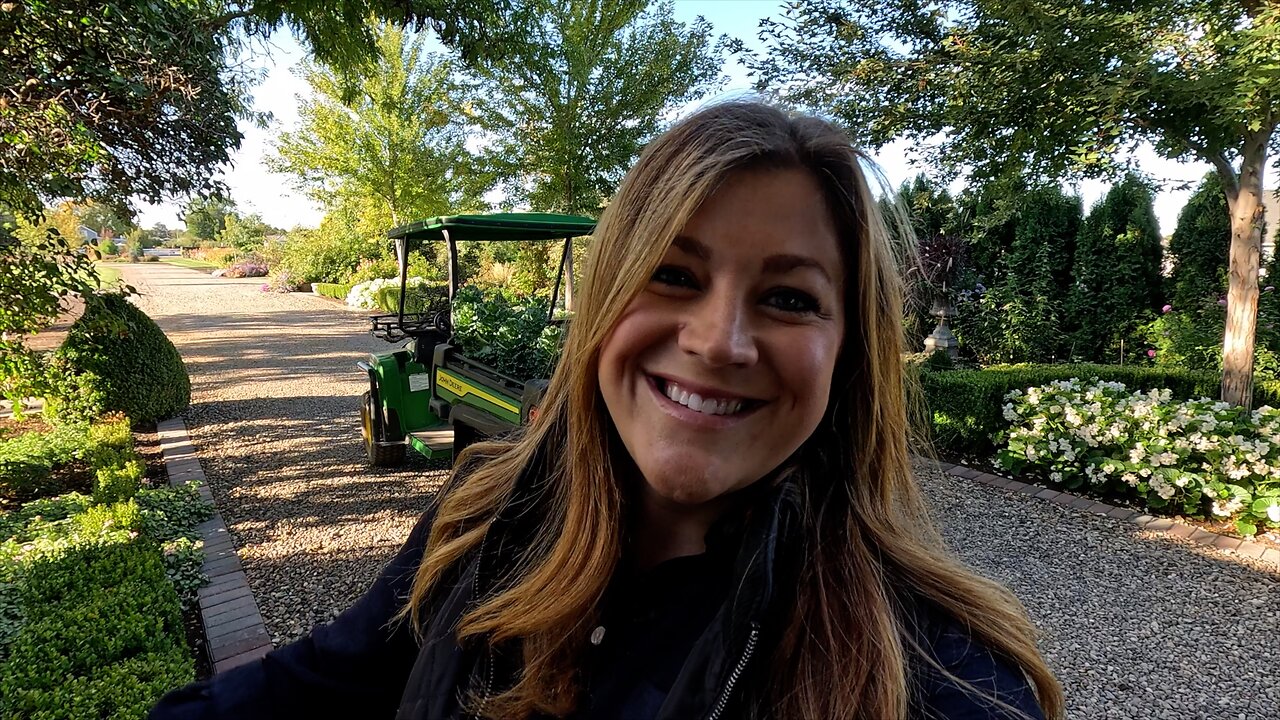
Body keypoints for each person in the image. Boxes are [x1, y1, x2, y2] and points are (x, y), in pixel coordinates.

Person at [150, 100, 1064, 720]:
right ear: (608, 304)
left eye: (788, 299)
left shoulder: (939, 679)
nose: (718, 342)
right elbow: (319, 687)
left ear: (849, 352)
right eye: (673, 276)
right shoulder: (485, 524)